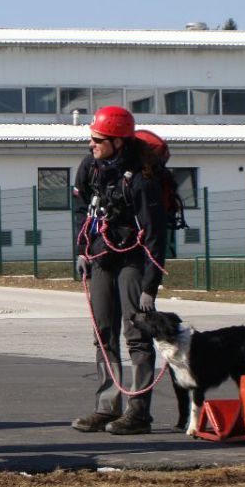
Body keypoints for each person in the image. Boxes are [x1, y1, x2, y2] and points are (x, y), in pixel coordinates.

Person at [70, 105, 167, 436]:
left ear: (118, 141)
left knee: (136, 335)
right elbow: (82, 211)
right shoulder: (91, 168)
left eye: (98, 139)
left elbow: (155, 234)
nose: (91, 145)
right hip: (101, 258)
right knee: (102, 334)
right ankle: (105, 407)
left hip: (133, 260)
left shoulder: (142, 179)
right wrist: (82, 250)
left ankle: (138, 413)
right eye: (91, 138)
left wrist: (149, 287)